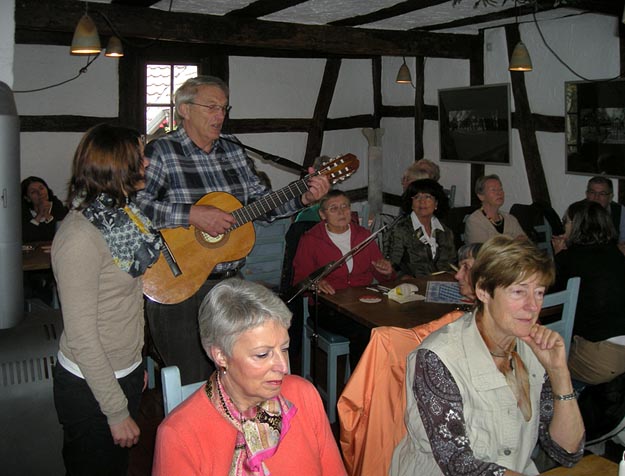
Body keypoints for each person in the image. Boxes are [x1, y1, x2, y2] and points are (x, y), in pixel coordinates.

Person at [136, 75, 329, 385]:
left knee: (237, 375)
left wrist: (303, 197)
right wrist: (191, 215)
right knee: (191, 381)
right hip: (175, 284)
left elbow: (262, 206)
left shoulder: (233, 150)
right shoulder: (162, 152)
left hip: (228, 285)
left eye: (224, 108)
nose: (220, 115)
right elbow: (135, 209)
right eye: (211, 107)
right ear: (184, 110)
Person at [390, 235, 585, 476]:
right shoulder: (438, 358)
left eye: (539, 293)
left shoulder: (533, 351)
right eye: (518, 292)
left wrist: (559, 373)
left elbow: (567, 451)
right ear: (483, 290)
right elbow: (458, 464)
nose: (533, 306)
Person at [51, 124, 161, 475]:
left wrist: (135, 363)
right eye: (139, 157)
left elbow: (129, 302)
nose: (147, 164)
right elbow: (82, 338)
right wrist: (115, 411)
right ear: (117, 167)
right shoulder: (80, 237)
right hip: (89, 387)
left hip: (122, 371)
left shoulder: (121, 218)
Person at [152, 278, 347, 476]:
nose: (283, 367)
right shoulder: (179, 435)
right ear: (221, 355)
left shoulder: (303, 395)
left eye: (285, 349)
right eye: (263, 354)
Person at [292, 189, 395, 367]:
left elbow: (383, 276)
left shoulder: (362, 235)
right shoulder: (311, 239)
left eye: (345, 207)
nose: (341, 212)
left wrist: (385, 271)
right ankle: (360, 388)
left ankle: (385, 381)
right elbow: (299, 280)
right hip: (327, 307)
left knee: (393, 325)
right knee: (365, 331)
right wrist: (315, 283)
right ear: (322, 214)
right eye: (334, 208)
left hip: (363, 303)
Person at [552, 200, 625, 385]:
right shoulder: (615, 254)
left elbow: (552, 301)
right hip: (618, 348)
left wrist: (559, 256)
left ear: (576, 226)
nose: (564, 227)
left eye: (566, 222)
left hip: (604, 357)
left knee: (538, 359)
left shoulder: (570, 259)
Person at [386, 179, 456, 276]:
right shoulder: (400, 230)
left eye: (428, 197)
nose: (422, 202)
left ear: (436, 203)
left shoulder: (446, 232)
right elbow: (393, 265)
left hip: (441, 284)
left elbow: (451, 264)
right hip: (412, 286)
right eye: (417, 197)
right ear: (411, 203)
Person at [464, 174, 526, 244]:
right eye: (493, 190)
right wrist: (513, 243)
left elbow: (525, 243)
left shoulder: (510, 219)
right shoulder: (475, 221)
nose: (499, 193)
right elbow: (483, 252)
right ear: (481, 196)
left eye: (500, 189)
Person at [21, 176, 68, 243]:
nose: (40, 193)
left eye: (41, 188)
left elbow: (59, 235)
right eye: (33, 192)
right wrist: (39, 215)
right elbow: (26, 238)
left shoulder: (57, 207)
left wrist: (47, 216)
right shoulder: (23, 212)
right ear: (27, 198)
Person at [584, 175, 625, 244]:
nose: (596, 198)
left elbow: (623, 241)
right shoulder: (576, 209)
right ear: (587, 194)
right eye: (592, 192)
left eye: (602, 194)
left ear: (610, 197)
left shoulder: (620, 211)